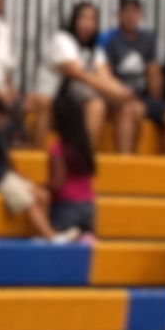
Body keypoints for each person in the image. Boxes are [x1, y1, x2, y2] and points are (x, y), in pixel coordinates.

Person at [34, 2, 138, 152]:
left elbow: (105, 76)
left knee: (128, 108)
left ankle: (125, 162)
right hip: (55, 100)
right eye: (83, 18)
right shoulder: (62, 40)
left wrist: (125, 94)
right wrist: (118, 92)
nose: (87, 24)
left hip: (79, 101)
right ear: (74, 20)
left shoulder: (95, 49)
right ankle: (83, 158)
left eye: (92, 19)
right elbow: (78, 73)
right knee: (97, 105)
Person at [0, 96, 69, 241]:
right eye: (2, 117)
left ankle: (39, 235)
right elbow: (7, 158)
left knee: (43, 195)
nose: (4, 122)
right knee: (31, 202)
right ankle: (51, 236)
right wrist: (18, 174)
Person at [104, 0, 165, 155]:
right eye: (127, 12)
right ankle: (126, 165)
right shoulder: (110, 41)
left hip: (146, 98)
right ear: (119, 15)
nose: (131, 16)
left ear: (141, 15)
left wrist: (155, 99)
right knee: (130, 111)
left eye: (135, 12)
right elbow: (106, 75)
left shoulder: (149, 39)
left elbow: (154, 69)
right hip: (122, 98)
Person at [47, 89, 98, 236]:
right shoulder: (85, 146)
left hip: (66, 206)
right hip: (88, 205)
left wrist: (41, 186)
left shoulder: (58, 149)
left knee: (64, 249)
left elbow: (57, 182)